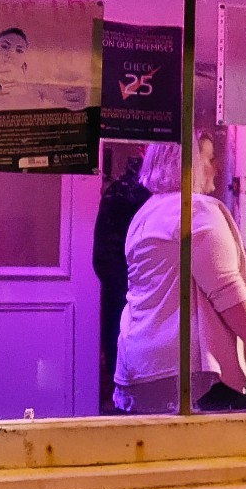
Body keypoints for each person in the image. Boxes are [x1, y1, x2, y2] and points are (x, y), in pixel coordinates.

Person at [114, 138, 246, 414]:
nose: (217, 167)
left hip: (140, 363)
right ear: (189, 164)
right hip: (193, 372)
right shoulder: (195, 211)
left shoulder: (146, 213)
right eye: (210, 158)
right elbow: (228, 291)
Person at [93, 147, 153, 414]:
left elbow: (103, 259)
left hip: (128, 305)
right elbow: (105, 259)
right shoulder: (133, 195)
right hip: (131, 307)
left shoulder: (124, 192)